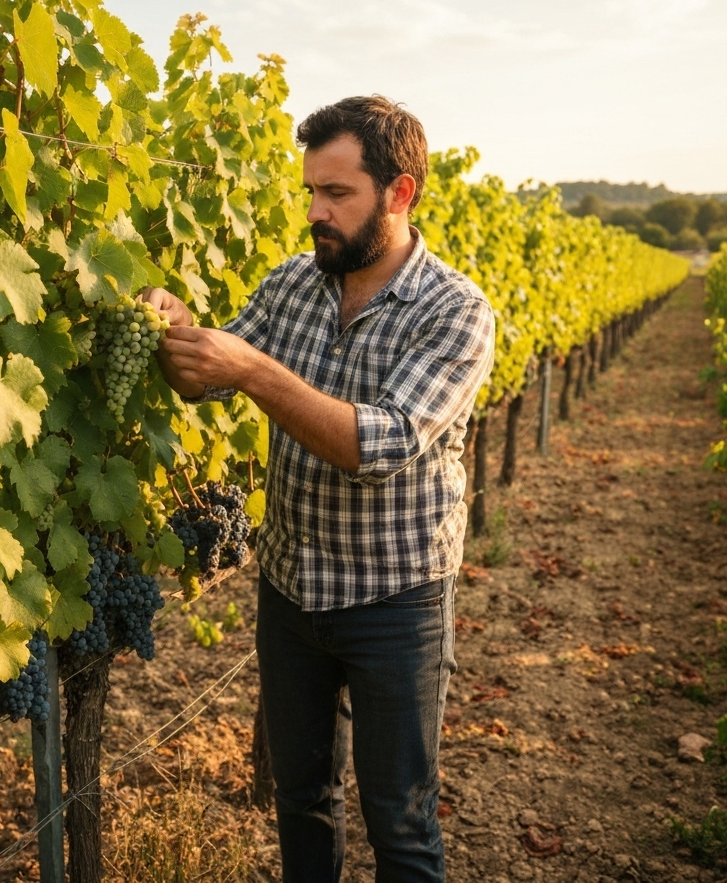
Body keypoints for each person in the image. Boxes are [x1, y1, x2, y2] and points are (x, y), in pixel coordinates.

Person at [143, 95, 495, 883]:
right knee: (302, 800)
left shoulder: (457, 312)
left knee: (399, 821)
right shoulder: (295, 284)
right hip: (291, 589)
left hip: (395, 602)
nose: (316, 212)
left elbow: (382, 444)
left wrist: (253, 370)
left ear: (399, 194)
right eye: (310, 192)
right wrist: (172, 327)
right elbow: (212, 375)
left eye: (337, 195)